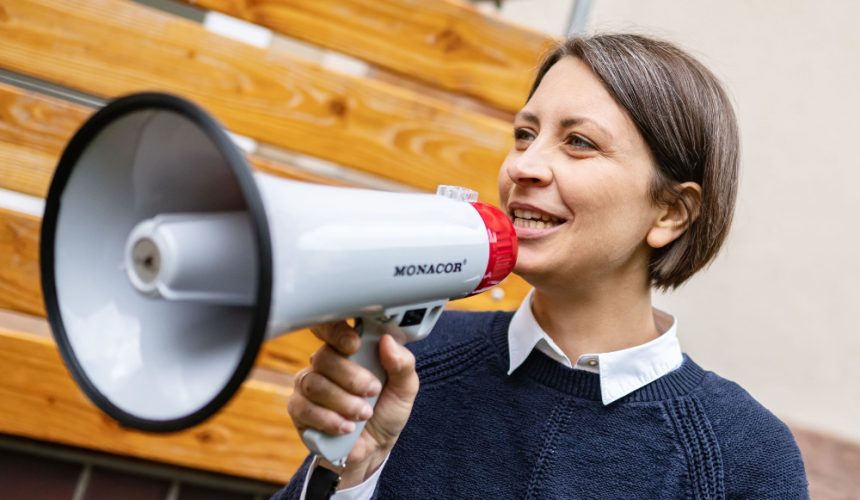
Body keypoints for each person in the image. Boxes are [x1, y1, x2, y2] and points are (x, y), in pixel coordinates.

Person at [272, 33, 809, 499]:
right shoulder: (410, 364)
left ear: (670, 212)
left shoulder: (743, 456)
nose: (524, 166)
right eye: (524, 134)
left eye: (579, 143)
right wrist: (348, 477)